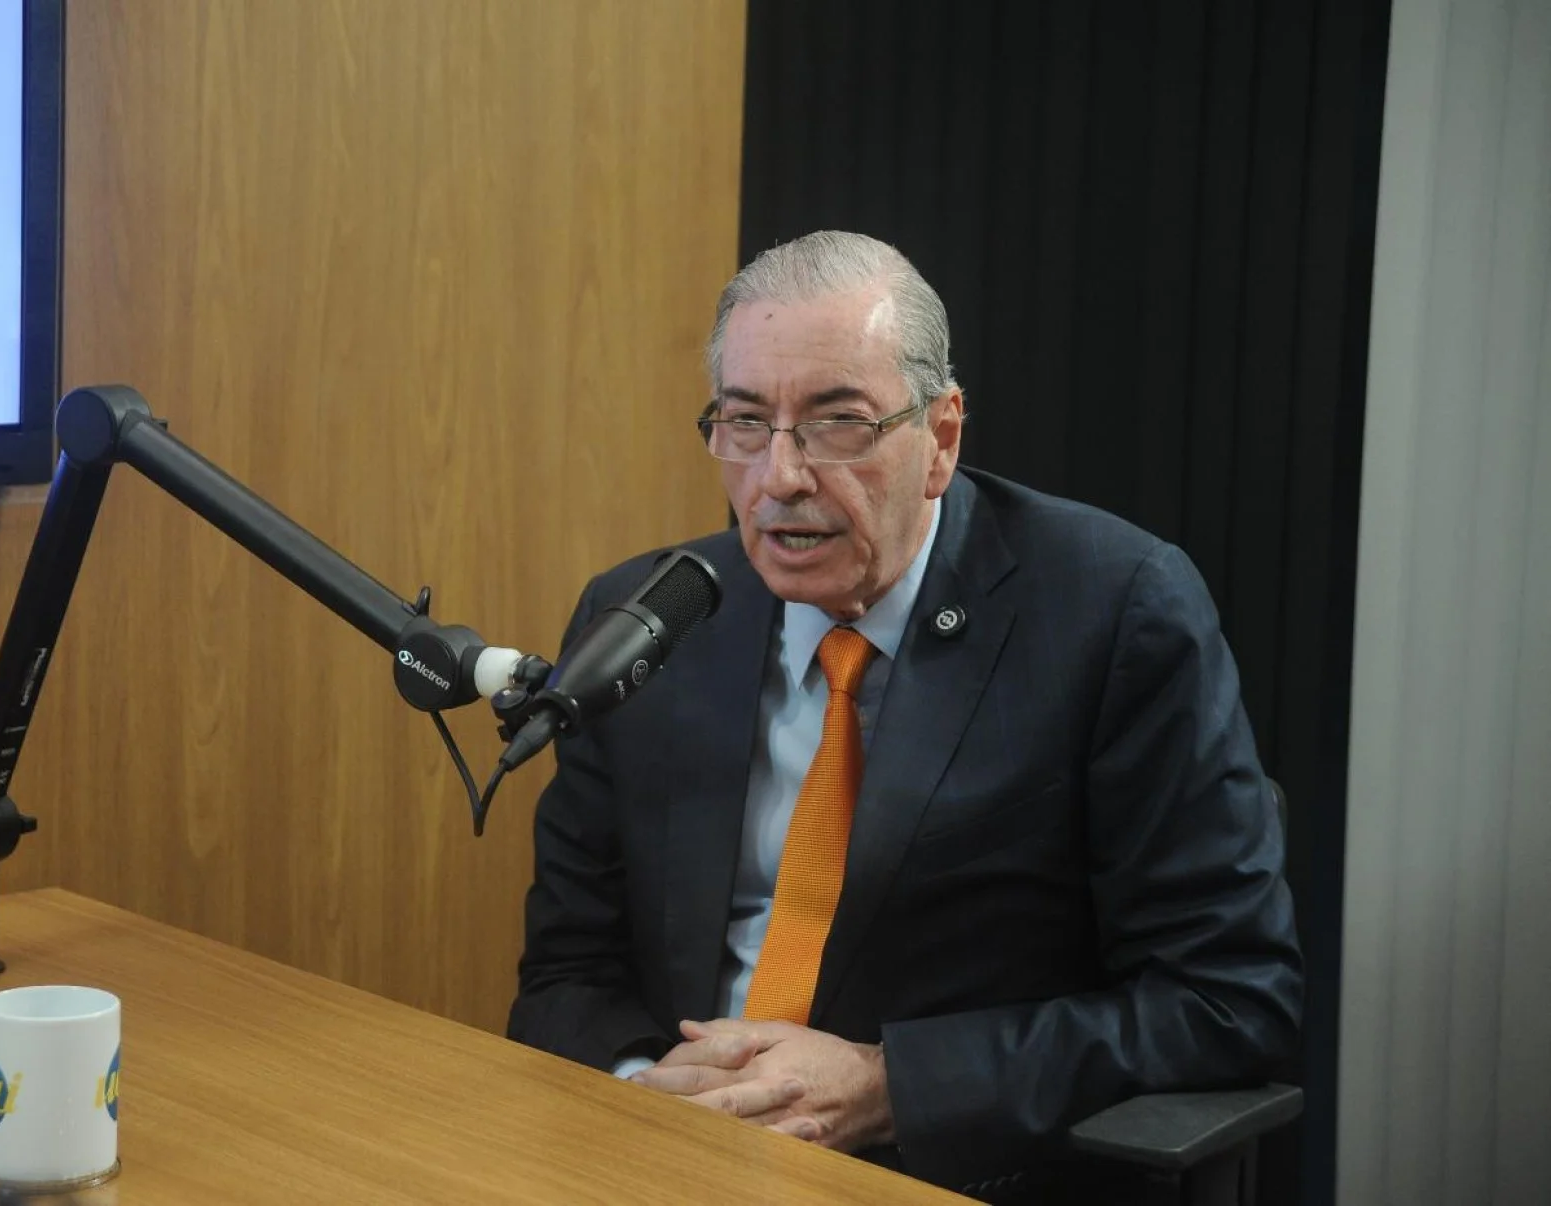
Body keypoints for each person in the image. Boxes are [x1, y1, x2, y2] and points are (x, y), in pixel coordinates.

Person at [506, 230, 1302, 1201]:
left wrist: (891, 1086)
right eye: (746, 422)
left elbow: (1228, 1000)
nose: (781, 476)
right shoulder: (645, 622)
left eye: (839, 423)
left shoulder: (1112, 609)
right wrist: (653, 1093)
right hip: (670, 1157)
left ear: (942, 439)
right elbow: (567, 973)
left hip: (953, 1170)